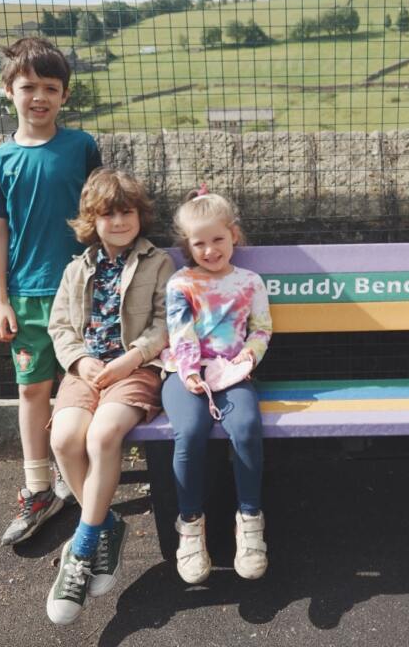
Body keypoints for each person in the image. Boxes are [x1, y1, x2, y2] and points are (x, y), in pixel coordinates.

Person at [0, 37, 102, 545]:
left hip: (83, 292)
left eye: (51, 88)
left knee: (87, 386)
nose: (40, 97)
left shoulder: (81, 147)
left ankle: (85, 476)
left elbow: (102, 214)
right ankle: (38, 488)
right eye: (29, 87)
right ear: (9, 91)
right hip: (26, 296)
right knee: (32, 390)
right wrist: (0, 300)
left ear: (65, 95)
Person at [44, 168, 174, 625]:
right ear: (91, 220)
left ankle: (81, 550)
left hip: (135, 370)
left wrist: (132, 358)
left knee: (102, 437)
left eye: (127, 212)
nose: (119, 222)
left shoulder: (158, 262)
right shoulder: (75, 269)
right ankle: (107, 525)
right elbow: (60, 326)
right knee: (64, 439)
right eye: (108, 214)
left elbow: (166, 322)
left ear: (140, 216)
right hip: (86, 370)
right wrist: (79, 362)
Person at [161, 188, 272, 584]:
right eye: (200, 244)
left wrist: (249, 358)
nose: (210, 250)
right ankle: (190, 526)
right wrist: (190, 372)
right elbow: (180, 333)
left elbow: (261, 329)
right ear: (187, 246)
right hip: (185, 374)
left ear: (233, 235)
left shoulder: (250, 282)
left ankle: (250, 520)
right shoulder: (181, 283)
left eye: (218, 239)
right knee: (190, 430)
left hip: (233, 372)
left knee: (246, 426)